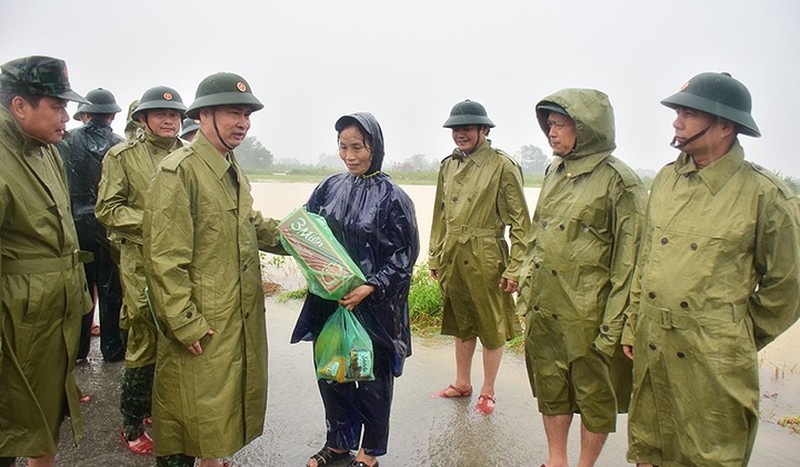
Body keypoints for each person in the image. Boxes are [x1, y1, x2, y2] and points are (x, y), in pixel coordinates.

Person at [622, 72, 800, 466]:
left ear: (725, 125)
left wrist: (732, 334)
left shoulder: (765, 195)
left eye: (688, 113)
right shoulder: (667, 179)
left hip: (714, 358)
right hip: (655, 347)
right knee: (651, 447)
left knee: (711, 455)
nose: (676, 122)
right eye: (677, 112)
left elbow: (789, 286)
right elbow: (646, 258)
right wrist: (635, 323)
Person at [143, 72, 284, 467]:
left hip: (233, 314)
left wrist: (300, 238)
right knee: (191, 414)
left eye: (247, 115)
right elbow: (164, 259)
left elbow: (248, 224)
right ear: (204, 115)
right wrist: (184, 322)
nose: (243, 123)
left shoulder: (229, 166)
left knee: (218, 413)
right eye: (233, 113)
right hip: (203, 320)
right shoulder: (180, 171)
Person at [517, 89, 646, 467]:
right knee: (551, 389)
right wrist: (525, 285)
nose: (551, 133)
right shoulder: (555, 171)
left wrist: (619, 324)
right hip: (546, 307)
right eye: (549, 125)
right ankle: (556, 459)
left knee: (594, 397)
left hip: (590, 314)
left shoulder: (620, 182)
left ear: (586, 128)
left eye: (559, 125)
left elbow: (631, 259)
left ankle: (584, 464)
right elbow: (536, 234)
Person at [291, 112, 420, 467]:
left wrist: (372, 286)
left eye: (358, 147)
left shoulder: (394, 197)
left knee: (371, 381)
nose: (350, 155)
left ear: (374, 147)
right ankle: (337, 443)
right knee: (333, 373)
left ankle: (369, 451)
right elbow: (307, 230)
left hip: (372, 310)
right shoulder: (330, 187)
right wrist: (312, 266)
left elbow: (405, 255)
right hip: (330, 304)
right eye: (343, 147)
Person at [0, 55, 93, 467]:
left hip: (50, 316)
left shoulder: (47, 151)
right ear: (20, 106)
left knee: (43, 417)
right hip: (13, 320)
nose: (66, 116)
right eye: (56, 106)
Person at [95, 86, 188, 456]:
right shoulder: (122, 156)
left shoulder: (189, 154)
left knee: (180, 336)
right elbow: (108, 209)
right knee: (144, 338)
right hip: (140, 261)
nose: (170, 120)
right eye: (161, 115)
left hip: (181, 263)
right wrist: (158, 223)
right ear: (142, 119)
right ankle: (132, 421)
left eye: (176, 115)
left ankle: (163, 409)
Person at [428, 99, 530, 414]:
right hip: (453, 254)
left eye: (468, 128)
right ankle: (462, 382)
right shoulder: (448, 165)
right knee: (461, 323)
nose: (461, 134)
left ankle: (488, 390)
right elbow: (439, 215)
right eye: (456, 128)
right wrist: (435, 254)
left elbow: (522, 224)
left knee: (491, 325)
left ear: (484, 129)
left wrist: (515, 268)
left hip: (487, 253)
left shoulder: (502, 165)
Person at [57, 87, 126, 364]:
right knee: (111, 288)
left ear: (84, 114)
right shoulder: (120, 145)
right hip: (106, 224)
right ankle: (112, 349)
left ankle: (78, 350)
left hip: (75, 223)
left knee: (81, 289)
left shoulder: (66, 141)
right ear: (111, 115)